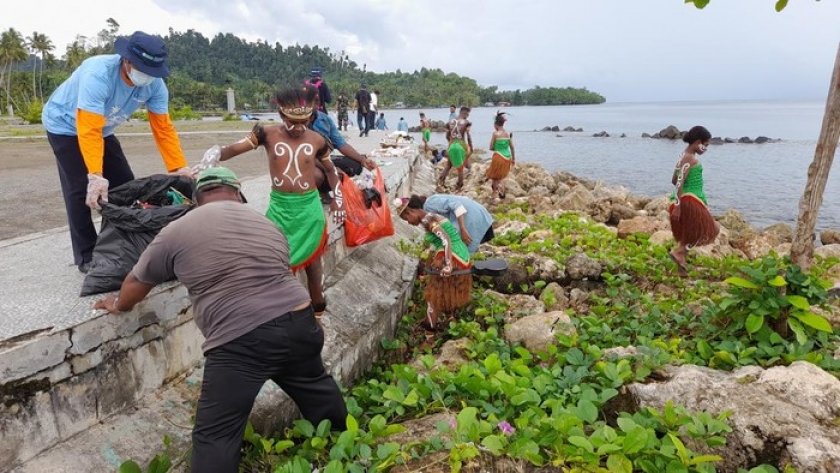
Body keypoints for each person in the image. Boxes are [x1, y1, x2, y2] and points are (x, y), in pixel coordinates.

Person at [93, 167, 347, 473]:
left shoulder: (178, 229)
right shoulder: (266, 224)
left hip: (240, 341)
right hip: (299, 321)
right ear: (238, 194)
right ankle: (346, 447)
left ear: (196, 198)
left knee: (216, 435)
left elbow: (136, 281)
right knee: (315, 385)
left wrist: (119, 304)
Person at [42, 30, 192, 273]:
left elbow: (163, 128)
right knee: (81, 190)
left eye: (153, 72)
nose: (148, 76)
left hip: (102, 128)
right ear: (127, 60)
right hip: (65, 124)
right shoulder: (97, 73)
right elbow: (87, 128)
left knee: (125, 182)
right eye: (143, 68)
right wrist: (94, 175)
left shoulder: (155, 86)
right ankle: (87, 255)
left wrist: (178, 168)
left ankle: (122, 243)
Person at [196, 86, 345, 320]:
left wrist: (338, 200)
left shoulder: (317, 140)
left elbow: (331, 172)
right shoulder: (266, 133)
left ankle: (318, 313)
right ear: (282, 115)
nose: (298, 128)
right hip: (279, 209)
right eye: (293, 122)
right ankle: (285, 314)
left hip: (310, 210)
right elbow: (233, 150)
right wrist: (214, 154)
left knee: (314, 265)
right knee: (276, 260)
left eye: (304, 122)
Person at [394, 196, 472, 335]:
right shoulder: (429, 217)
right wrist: (428, 267)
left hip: (453, 256)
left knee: (433, 297)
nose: (409, 223)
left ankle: (429, 332)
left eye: (407, 220)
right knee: (447, 289)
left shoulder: (428, 220)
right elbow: (435, 244)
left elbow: (445, 239)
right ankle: (450, 319)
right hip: (461, 254)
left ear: (411, 211)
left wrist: (448, 265)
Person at [668, 125, 720, 276]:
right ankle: (680, 252)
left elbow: (673, 179)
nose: (706, 148)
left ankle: (681, 266)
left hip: (687, 198)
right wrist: (678, 206)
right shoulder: (689, 159)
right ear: (698, 141)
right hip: (690, 200)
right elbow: (678, 183)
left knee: (689, 234)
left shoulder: (683, 157)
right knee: (711, 230)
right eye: (706, 145)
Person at [413, 194, 494, 256]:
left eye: (407, 217)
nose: (409, 222)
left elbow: (457, 205)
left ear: (414, 210)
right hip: (477, 213)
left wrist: (463, 229)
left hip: (472, 217)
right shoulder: (429, 208)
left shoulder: (428, 205)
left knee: (459, 252)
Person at [437, 106, 473, 191]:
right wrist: (471, 146)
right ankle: (459, 186)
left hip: (451, 144)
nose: (467, 116)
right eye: (467, 114)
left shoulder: (450, 122)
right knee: (460, 168)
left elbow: (447, 135)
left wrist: (451, 143)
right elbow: (468, 136)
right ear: (463, 113)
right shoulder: (466, 122)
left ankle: (441, 181)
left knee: (449, 165)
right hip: (460, 145)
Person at [486, 111, 516, 199]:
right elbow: (512, 147)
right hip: (507, 157)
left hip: (498, 156)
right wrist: (513, 159)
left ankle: (496, 193)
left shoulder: (495, 134)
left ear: (496, 124)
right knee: (500, 177)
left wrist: (497, 148)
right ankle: (500, 192)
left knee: (495, 177)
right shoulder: (508, 134)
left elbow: (491, 147)